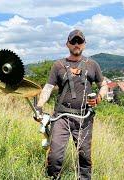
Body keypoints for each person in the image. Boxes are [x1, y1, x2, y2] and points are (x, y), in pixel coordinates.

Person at [35, 29, 108, 180]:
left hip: (84, 117)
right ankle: (53, 177)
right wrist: (39, 107)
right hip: (61, 116)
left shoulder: (92, 64)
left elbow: (104, 85)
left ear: (84, 45)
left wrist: (99, 97)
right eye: (73, 41)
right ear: (67, 44)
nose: (76, 44)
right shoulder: (58, 65)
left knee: (85, 156)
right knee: (55, 156)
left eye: (79, 41)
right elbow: (48, 88)